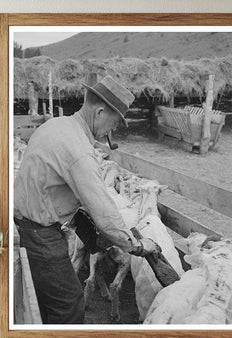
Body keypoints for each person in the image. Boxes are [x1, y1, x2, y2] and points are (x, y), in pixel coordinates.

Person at [14, 75, 159, 324]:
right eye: (114, 124)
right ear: (101, 111)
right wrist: (135, 245)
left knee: (45, 300)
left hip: (25, 223)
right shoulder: (79, 151)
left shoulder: (56, 124)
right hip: (41, 235)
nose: (112, 131)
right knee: (69, 305)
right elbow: (102, 209)